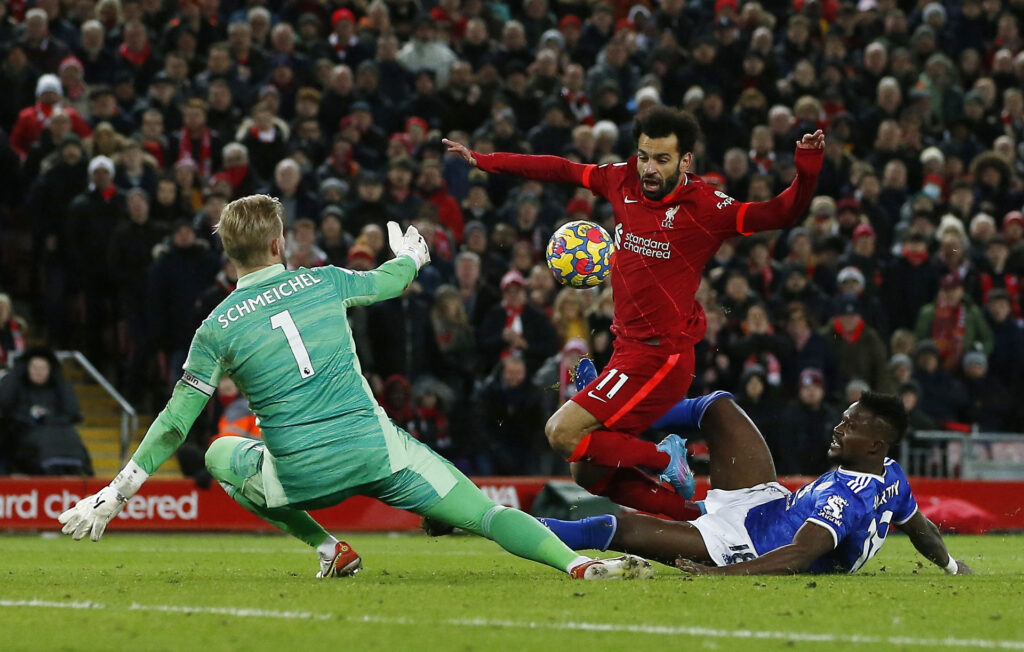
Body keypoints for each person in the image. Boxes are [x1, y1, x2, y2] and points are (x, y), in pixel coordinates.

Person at [57, 194, 652, 582]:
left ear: (229, 254)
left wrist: (117, 492)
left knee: (218, 450)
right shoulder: (323, 281)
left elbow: (175, 420)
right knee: (484, 515)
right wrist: (412, 260)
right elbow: (386, 283)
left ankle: (326, 548)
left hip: (302, 478)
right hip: (378, 452)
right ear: (277, 245)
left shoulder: (216, 328)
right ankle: (575, 565)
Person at [443, 106, 824, 516]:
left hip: (663, 355)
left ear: (685, 161)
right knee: (585, 471)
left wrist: (808, 166)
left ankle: (664, 456)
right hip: (627, 351)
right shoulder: (621, 179)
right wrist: (484, 160)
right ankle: (698, 521)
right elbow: (561, 169)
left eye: (662, 159)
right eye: (644, 156)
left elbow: (782, 213)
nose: (649, 169)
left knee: (561, 433)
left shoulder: (707, 207)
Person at [539, 391, 973, 576]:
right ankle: (620, 418)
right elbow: (922, 529)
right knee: (719, 408)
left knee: (619, 526)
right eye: (842, 419)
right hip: (766, 502)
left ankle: (510, 524)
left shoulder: (847, 498)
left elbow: (801, 555)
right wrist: (952, 567)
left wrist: (724, 576)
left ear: (875, 443)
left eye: (850, 426)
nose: (838, 429)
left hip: (743, 545)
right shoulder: (891, 472)